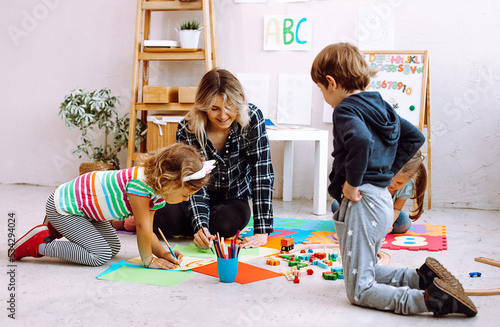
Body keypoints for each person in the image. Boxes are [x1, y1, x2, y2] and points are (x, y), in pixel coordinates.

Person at [311, 42, 477, 317]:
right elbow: (415, 137)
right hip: (381, 200)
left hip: (363, 202)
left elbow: (361, 141)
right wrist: (386, 172)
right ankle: (422, 277)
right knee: (365, 269)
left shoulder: (344, 109)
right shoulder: (380, 104)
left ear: (331, 81)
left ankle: (429, 300)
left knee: (358, 290)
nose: (323, 96)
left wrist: (352, 183)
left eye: (321, 89)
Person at [8, 143, 211, 269]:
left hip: (87, 213)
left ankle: (58, 229)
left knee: (113, 248)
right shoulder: (140, 186)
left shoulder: (157, 194)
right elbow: (141, 228)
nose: (186, 200)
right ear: (169, 181)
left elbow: (148, 231)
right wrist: (148, 259)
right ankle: (41, 244)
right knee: (100, 255)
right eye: (185, 194)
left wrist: (163, 254)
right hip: (64, 207)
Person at [154, 68, 274, 249]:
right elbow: (192, 182)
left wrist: (262, 231)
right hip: (194, 196)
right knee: (162, 218)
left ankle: (195, 228)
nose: (223, 115)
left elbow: (262, 173)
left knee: (226, 223)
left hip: (233, 200)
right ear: (203, 107)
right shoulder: (187, 128)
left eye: (230, 107)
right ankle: (199, 229)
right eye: (214, 108)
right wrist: (201, 226)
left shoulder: (253, 118)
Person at [330, 150, 428, 234]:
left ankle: (369, 227)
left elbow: (396, 209)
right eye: (390, 178)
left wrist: (389, 223)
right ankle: (361, 226)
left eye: (399, 182)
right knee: (337, 205)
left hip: (384, 214)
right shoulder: (377, 175)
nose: (392, 184)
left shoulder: (407, 186)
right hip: (363, 209)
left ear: (410, 179)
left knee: (404, 224)